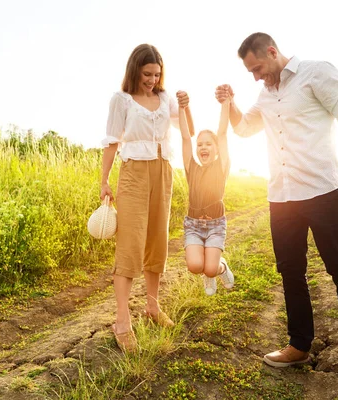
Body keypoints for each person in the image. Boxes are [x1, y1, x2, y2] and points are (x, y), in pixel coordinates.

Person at [215, 32, 338, 385]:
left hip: (321, 190)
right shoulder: (264, 93)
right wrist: (229, 103)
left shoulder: (317, 73)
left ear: (272, 52)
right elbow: (244, 129)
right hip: (282, 197)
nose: (256, 76)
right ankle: (299, 345)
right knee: (291, 273)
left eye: (257, 67)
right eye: (250, 72)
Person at [100, 43, 193, 353]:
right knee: (130, 242)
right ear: (135, 71)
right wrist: (104, 181)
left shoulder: (166, 99)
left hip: (163, 171)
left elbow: (187, 131)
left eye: (157, 74)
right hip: (134, 174)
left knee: (156, 240)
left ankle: (153, 307)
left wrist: (187, 105)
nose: (152, 79)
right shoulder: (122, 100)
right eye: (147, 74)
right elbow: (112, 142)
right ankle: (122, 321)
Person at [177, 94, 235, 296]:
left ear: (217, 149)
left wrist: (225, 104)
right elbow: (185, 137)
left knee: (210, 268)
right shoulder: (191, 167)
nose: (203, 147)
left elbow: (223, 133)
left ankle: (221, 268)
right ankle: (208, 268)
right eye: (200, 144)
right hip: (193, 225)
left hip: (215, 226)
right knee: (195, 266)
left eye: (208, 144)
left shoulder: (221, 167)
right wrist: (182, 108)